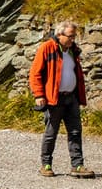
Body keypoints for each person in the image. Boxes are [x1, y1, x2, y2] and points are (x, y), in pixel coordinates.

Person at [29, 21, 93, 177]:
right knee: (51, 132)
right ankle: (46, 165)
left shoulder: (73, 51)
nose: (73, 39)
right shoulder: (47, 48)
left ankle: (77, 166)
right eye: (70, 36)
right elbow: (35, 73)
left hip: (71, 98)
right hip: (54, 99)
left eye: (74, 36)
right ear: (59, 35)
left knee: (75, 131)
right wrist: (39, 95)